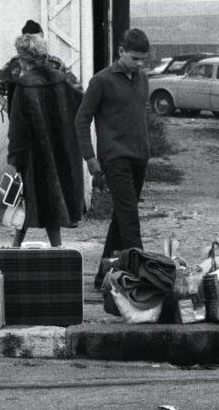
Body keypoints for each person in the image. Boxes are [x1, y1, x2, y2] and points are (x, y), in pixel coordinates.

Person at [75, 28, 151, 289]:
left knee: (122, 216)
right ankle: (145, 277)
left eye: (143, 60)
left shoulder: (142, 79)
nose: (139, 64)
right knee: (130, 220)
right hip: (115, 158)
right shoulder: (101, 81)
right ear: (120, 51)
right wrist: (90, 157)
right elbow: (81, 120)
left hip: (139, 157)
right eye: (134, 58)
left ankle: (102, 276)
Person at [7, 33, 83, 247]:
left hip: (33, 155)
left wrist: (14, 159)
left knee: (24, 200)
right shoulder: (62, 79)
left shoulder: (23, 86)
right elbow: (81, 103)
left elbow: (17, 129)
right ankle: (57, 247)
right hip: (61, 151)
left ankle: (15, 248)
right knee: (52, 201)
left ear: (22, 58)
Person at [0, 19, 80, 116]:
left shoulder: (55, 64)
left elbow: (77, 89)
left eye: (41, 40)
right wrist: (7, 106)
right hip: (22, 120)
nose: (40, 45)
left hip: (50, 120)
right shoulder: (15, 64)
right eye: (35, 41)